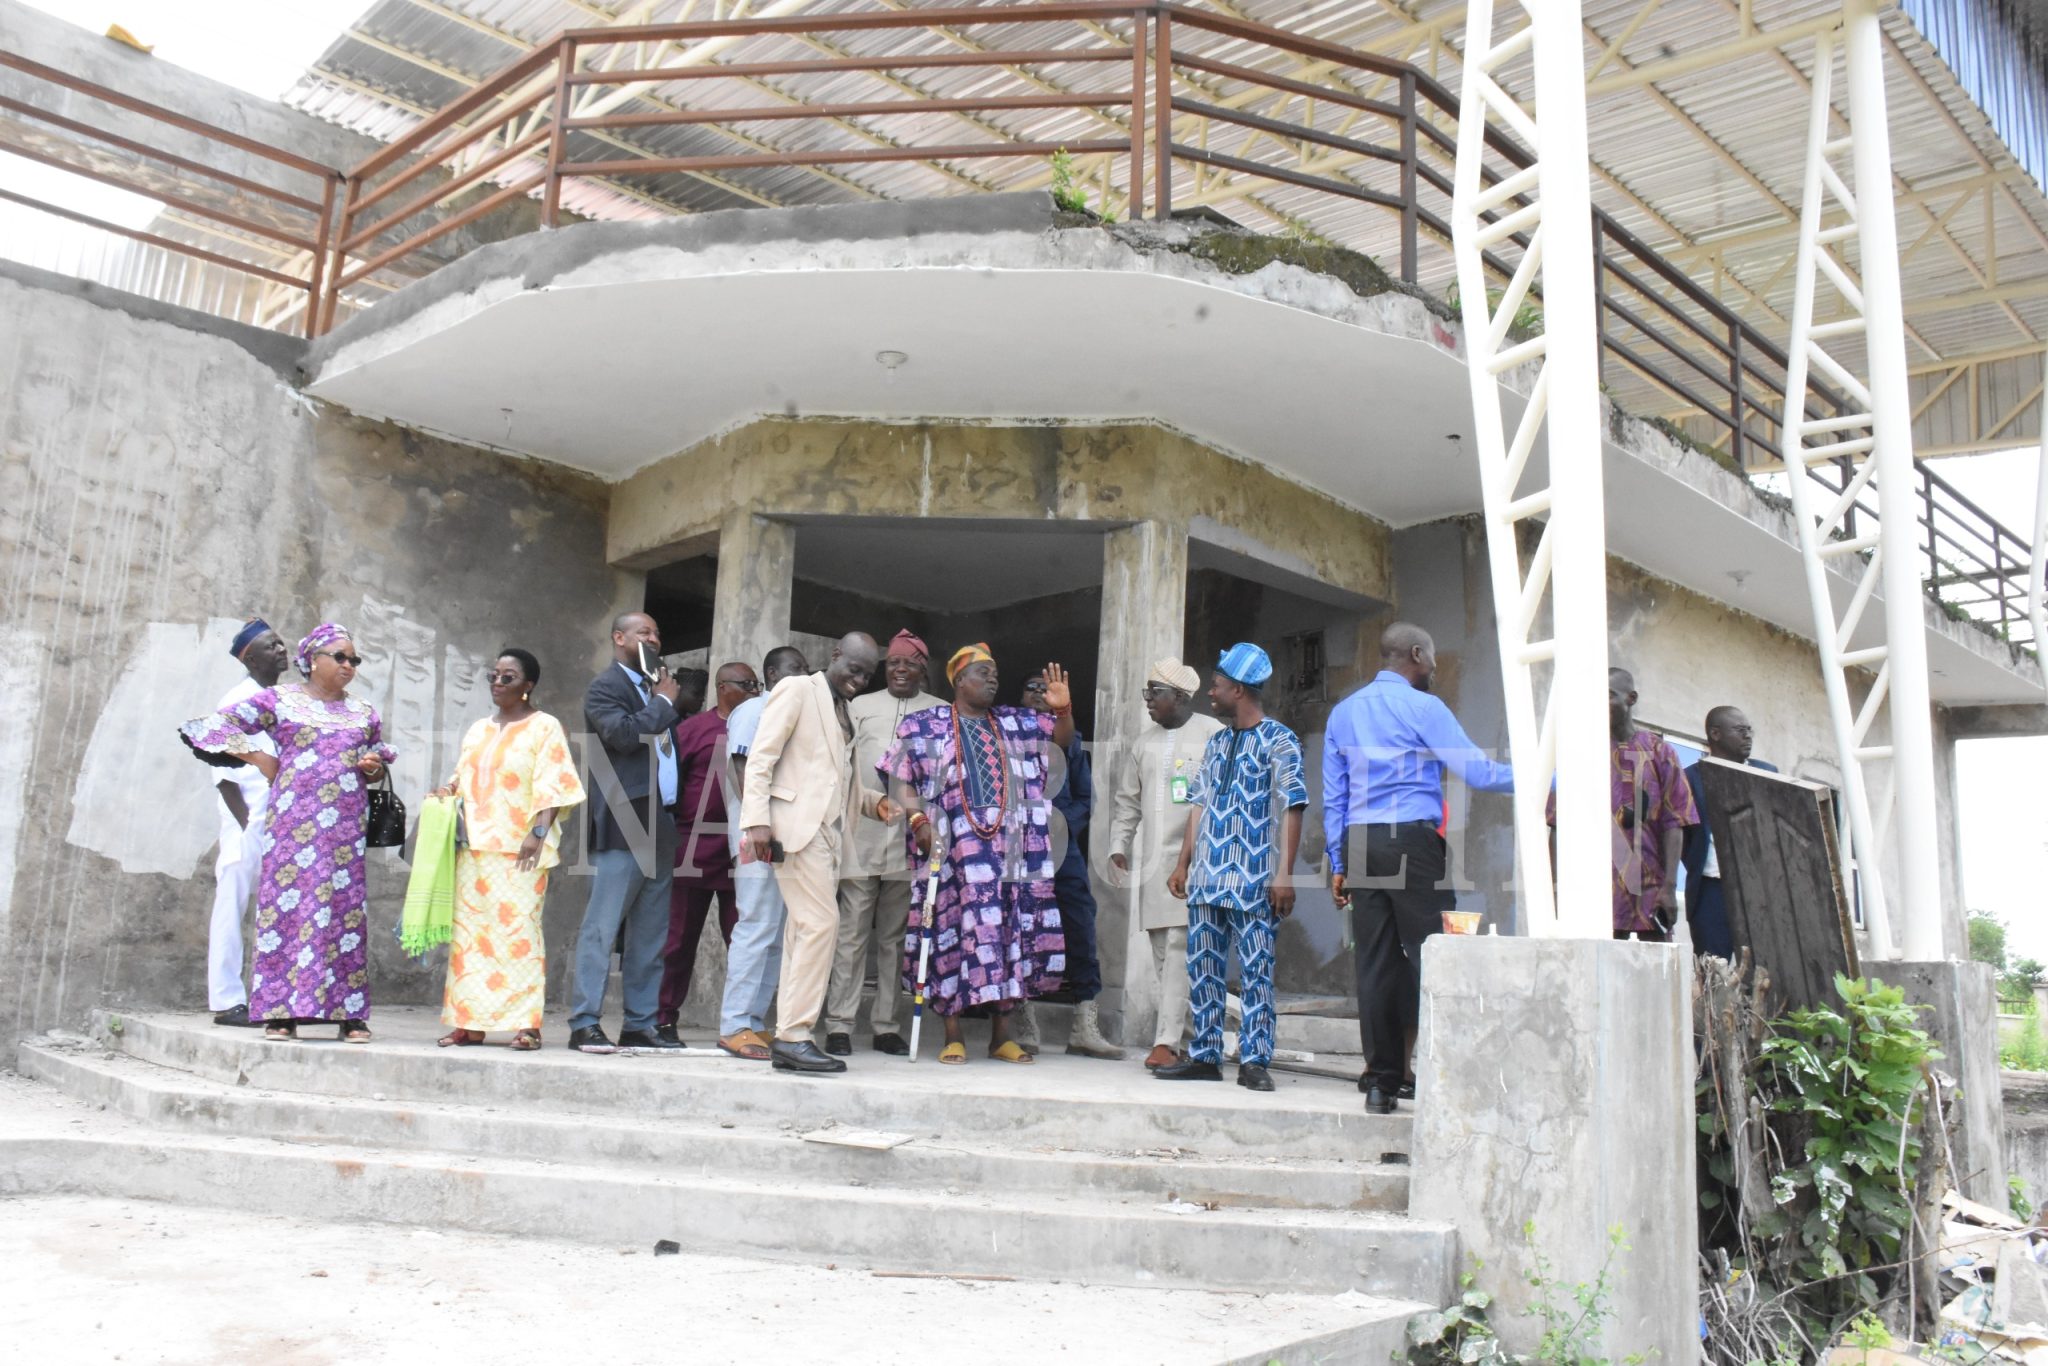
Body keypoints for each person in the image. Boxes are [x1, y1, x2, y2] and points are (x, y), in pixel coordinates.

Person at [1325, 622, 1515, 1115]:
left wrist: (1339, 860)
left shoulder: (1344, 713)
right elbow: (1479, 772)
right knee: (1435, 954)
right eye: (1431, 658)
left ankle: (1381, 1084)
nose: (1434, 667)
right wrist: (1549, 779)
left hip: (1360, 840)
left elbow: (1335, 796)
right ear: (1415, 654)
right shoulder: (1425, 708)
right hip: (1411, 838)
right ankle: (1444, 1073)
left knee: (1374, 963)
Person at [178, 623, 397, 1043]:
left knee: (343, 916)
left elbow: (375, 761)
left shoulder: (364, 712)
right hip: (292, 828)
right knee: (285, 915)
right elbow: (214, 727)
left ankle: (349, 1015)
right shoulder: (279, 700)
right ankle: (281, 1014)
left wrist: (371, 768)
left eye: (354, 660)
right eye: (340, 657)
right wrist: (259, 757)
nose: (348, 665)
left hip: (344, 831)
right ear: (313, 660)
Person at [882, 645, 1070, 1066]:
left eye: (995, 673)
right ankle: (953, 1035)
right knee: (949, 934)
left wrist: (1063, 709)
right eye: (983, 673)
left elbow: (1060, 742)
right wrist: (918, 821)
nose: (993, 679)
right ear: (959, 680)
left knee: (1009, 937)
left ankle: (1002, 1037)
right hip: (952, 855)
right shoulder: (925, 725)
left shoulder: (1016, 723)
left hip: (1011, 857)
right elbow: (897, 775)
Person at [740, 633, 893, 1074]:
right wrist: (756, 821)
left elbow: (835, 779)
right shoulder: (797, 689)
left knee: (802, 933)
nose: (859, 680)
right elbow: (761, 758)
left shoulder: (845, 709)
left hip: (829, 836)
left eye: (867, 675)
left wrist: (875, 804)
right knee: (822, 924)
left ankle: (789, 1035)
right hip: (795, 830)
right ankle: (794, 1036)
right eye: (854, 669)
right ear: (835, 655)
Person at [1161, 644, 1307, 1093]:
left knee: (1256, 972)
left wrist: (1284, 874)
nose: (1210, 692)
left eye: (1217, 685)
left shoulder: (1280, 740)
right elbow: (1198, 806)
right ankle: (1205, 1055)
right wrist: (1183, 864)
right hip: (1208, 878)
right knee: (1202, 968)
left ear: (1238, 690)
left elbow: (1293, 806)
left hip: (1254, 879)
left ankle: (1254, 1060)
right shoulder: (1218, 742)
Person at [433, 648, 586, 1050]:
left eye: (508, 677)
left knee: (519, 935)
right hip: (474, 848)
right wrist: (446, 791)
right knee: (470, 938)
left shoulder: (544, 726)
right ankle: (469, 1023)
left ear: (527, 686)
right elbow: (462, 777)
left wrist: (538, 832)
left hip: (520, 849)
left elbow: (554, 783)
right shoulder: (478, 729)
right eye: (494, 675)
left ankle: (526, 1024)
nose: (497, 683)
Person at [567, 612, 688, 1055]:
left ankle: (640, 1023)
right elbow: (621, 735)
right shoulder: (607, 687)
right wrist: (664, 704)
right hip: (623, 821)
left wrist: (661, 701)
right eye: (643, 632)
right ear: (619, 638)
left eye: (656, 632)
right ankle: (584, 1022)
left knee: (651, 934)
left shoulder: (654, 690)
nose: (653, 638)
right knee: (602, 928)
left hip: (660, 823)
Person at [827, 630, 942, 1058]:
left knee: (894, 938)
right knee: (851, 934)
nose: (900, 670)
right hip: (862, 834)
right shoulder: (858, 706)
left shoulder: (940, 712)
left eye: (909, 663)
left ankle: (886, 1026)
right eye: (893, 663)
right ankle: (839, 1024)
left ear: (922, 669)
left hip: (912, 839)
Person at [1109, 658, 1223, 1069]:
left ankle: (1166, 1042)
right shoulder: (1143, 744)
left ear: (1179, 696)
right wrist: (1119, 845)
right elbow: (1127, 802)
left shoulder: (1213, 734)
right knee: (1165, 954)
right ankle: (1192, 1042)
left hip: (1199, 862)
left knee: (1178, 949)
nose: (1148, 700)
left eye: (1154, 692)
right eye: (1147, 692)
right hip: (1155, 865)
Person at [1548, 667, 1701, 945]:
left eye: (1608, 695)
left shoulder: (1659, 752)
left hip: (1648, 890)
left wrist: (1669, 887)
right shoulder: (1580, 752)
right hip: (1592, 892)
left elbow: (1675, 821)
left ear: (1631, 699)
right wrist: (1557, 890)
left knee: (1654, 965)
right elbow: (1559, 824)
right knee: (1594, 966)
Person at [654, 660, 757, 1043]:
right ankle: (663, 1019)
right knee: (678, 940)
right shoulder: (693, 729)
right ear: (723, 687)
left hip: (742, 849)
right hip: (692, 848)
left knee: (743, 940)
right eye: (747, 684)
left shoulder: (762, 728)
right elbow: (667, 785)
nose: (755, 692)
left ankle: (743, 1024)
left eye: (757, 685)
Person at [1023, 669, 1121, 1060]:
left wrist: (1061, 827)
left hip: (1064, 851)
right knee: (1024, 930)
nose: (1038, 694)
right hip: (1019, 852)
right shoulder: (1007, 738)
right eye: (1031, 688)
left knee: (1079, 925)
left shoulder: (1070, 741)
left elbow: (1084, 798)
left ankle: (1084, 1024)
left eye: (1044, 689)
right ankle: (1024, 1021)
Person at [718, 646, 808, 1060]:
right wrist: (759, 827)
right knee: (755, 926)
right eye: (794, 669)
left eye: (805, 669)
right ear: (772, 673)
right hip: (756, 838)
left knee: (775, 934)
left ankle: (754, 1022)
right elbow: (742, 768)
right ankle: (734, 1024)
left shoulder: (794, 710)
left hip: (785, 839)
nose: (802, 675)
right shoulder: (754, 710)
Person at [204, 618, 289, 1027]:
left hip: (281, 819)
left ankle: (273, 999)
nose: (282, 649)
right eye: (272, 645)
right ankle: (226, 1001)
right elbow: (222, 773)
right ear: (251, 658)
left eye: (281, 643)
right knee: (232, 904)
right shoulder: (236, 701)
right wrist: (246, 825)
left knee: (278, 908)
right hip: (249, 819)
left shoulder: (282, 700)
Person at [1681, 705, 1777, 959]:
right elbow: (1683, 836)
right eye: (1740, 730)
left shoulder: (1768, 773)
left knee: (1766, 967)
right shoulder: (1690, 778)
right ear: (1715, 734)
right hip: (1711, 890)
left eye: (1749, 730)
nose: (1748, 736)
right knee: (1713, 967)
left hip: (1761, 890)